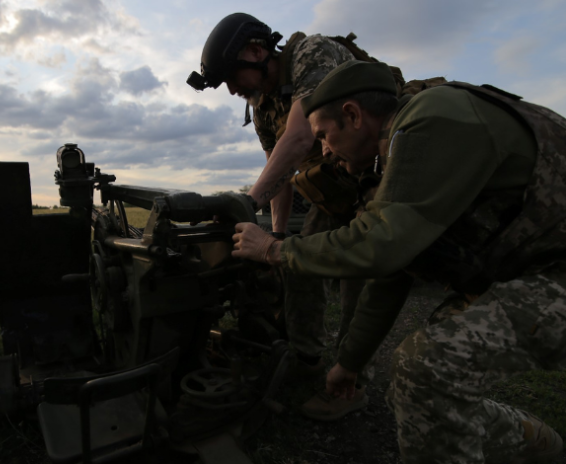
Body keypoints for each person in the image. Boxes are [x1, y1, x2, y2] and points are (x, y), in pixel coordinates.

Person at [231, 60, 565, 463]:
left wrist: (273, 249)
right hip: (533, 266)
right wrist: (350, 364)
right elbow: (393, 269)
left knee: (426, 370)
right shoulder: (398, 153)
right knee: (417, 385)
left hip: (551, 268)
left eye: (324, 135)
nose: (324, 151)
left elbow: (382, 245)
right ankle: (533, 441)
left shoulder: (429, 118)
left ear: (353, 116)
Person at [188, 13, 384, 420]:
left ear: (257, 52)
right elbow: (283, 176)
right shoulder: (263, 109)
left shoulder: (313, 54)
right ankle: (307, 359)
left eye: (232, 77)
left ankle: (350, 384)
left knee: (358, 281)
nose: (231, 90)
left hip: (378, 176)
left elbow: (298, 138)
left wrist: (244, 205)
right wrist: (274, 239)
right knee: (296, 262)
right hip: (333, 189)